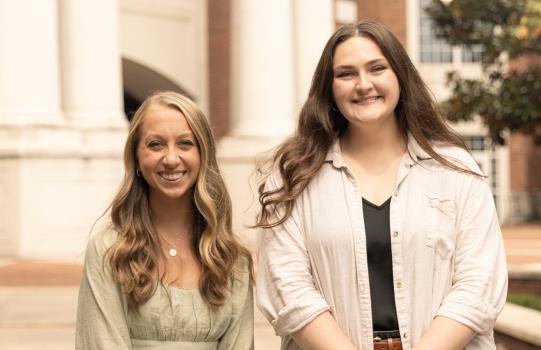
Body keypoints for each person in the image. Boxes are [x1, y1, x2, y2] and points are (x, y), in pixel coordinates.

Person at [254, 21, 507, 350]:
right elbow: (287, 288)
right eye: (346, 74)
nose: (363, 84)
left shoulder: (455, 170)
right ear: (328, 88)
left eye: (377, 68)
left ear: (399, 76)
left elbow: (479, 284)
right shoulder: (293, 176)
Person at [75, 91, 254, 349]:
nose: (171, 159)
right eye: (155, 144)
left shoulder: (231, 257)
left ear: (203, 155)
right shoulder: (109, 249)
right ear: (136, 156)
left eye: (185, 143)